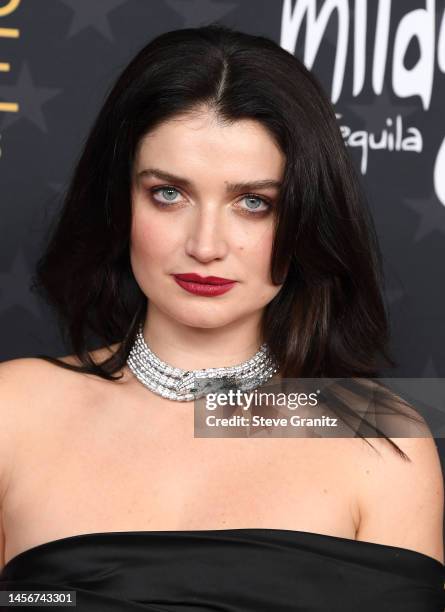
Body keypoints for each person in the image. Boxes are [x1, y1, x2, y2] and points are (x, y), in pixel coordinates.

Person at [0, 24, 443, 612]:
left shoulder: (383, 439)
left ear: (307, 218)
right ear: (118, 199)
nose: (205, 245)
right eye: (168, 194)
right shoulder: (13, 410)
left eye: (253, 203)